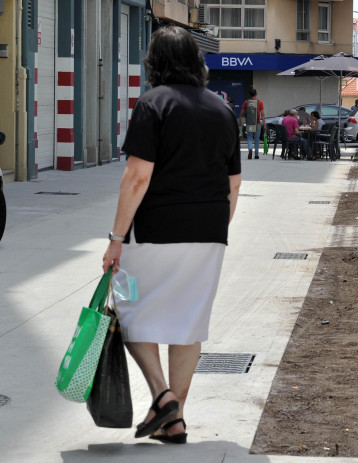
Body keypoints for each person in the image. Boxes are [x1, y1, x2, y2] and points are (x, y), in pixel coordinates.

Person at [101, 25, 242, 444]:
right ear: (197, 62)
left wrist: (115, 237)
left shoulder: (152, 104)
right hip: (210, 231)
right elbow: (234, 183)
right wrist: (215, 228)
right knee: (189, 323)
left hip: (155, 230)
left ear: (155, 63)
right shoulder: (222, 110)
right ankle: (175, 417)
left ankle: (164, 400)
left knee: (127, 311)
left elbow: (137, 177)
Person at [239, 89, 266, 159]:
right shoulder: (260, 103)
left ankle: (250, 149)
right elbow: (262, 114)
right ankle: (256, 154)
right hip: (258, 123)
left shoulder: (246, 102)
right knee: (257, 139)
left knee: (249, 137)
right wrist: (265, 125)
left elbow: (241, 112)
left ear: (249, 94)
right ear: (256, 94)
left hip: (249, 123)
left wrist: (240, 121)